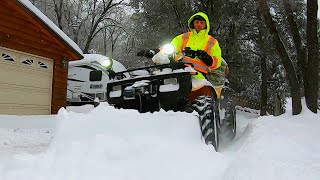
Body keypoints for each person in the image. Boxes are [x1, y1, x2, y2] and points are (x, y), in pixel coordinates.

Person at [138, 12, 223, 102]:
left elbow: (218, 60)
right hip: (178, 69)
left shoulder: (212, 42)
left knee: (204, 92)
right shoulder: (184, 37)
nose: (199, 24)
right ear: (193, 23)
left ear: (206, 24)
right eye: (197, 22)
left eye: (202, 22)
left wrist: (207, 58)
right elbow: (170, 47)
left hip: (198, 75)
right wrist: (154, 52)